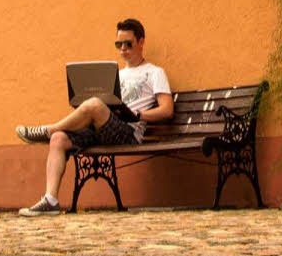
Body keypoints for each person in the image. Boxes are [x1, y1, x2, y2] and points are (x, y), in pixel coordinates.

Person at [14, 18, 173, 216]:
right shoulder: (116, 74)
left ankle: (48, 129)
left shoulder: (155, 73)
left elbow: (167, 110)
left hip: (128, 131)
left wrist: (138, 115)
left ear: (141, 42)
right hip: (101, 126)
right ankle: (50, 200)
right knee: (59, 139)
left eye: (128, 44)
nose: (123, 49)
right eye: (118, 44)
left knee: (95, 104)